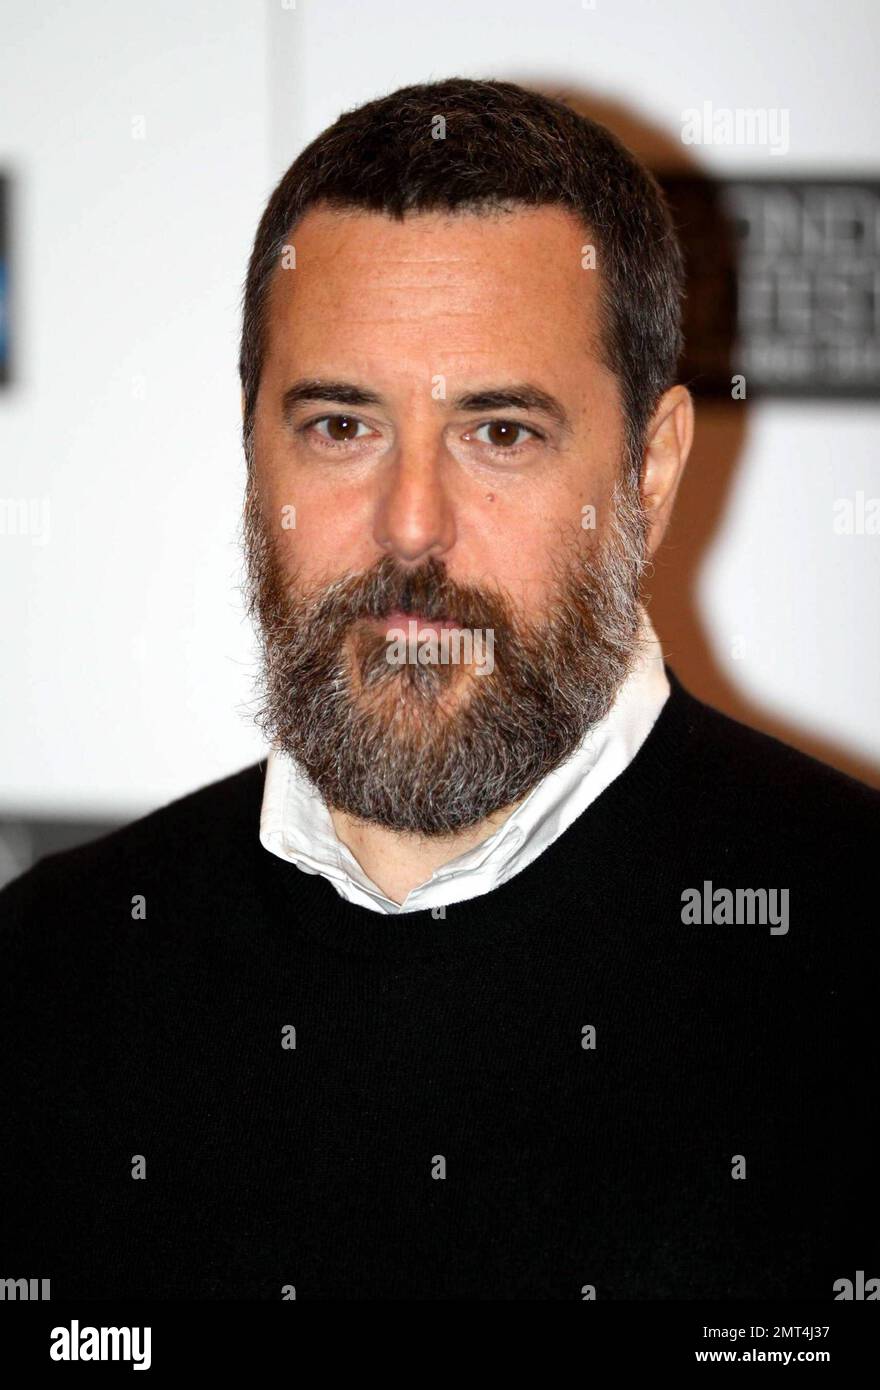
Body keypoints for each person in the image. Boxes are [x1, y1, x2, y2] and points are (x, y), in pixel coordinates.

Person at [1, 78, 876, 1301]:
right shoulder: (46, 976)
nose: (411, 528)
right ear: (252, 455)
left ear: (649, 471)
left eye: (500, 432)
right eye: (340, 426)